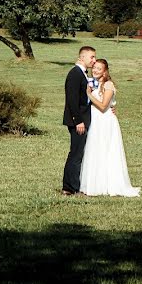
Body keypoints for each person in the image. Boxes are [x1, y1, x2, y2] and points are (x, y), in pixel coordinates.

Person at [79, 59, 141, 197]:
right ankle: (95, 184)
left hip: (105, 122)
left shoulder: (108, 84)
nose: (95, 70)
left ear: (105, 71)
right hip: (96, 122)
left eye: (99, 69)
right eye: (94, 67)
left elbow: (102, 106)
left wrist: (88, 94)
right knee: (95, 151)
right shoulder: (95, 84)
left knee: (106, 151)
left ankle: (109, 184)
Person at [62, 46, 95, 196]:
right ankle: (70, 188)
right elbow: (72, 100)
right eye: (92, 57)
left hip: (82, 119)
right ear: (82, 58)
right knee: (75, 154)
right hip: (77, 121)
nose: (94, 60)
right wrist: (78, 121)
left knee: (78, 153)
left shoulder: (82, 73)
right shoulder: (75, 73)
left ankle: (72, 186)